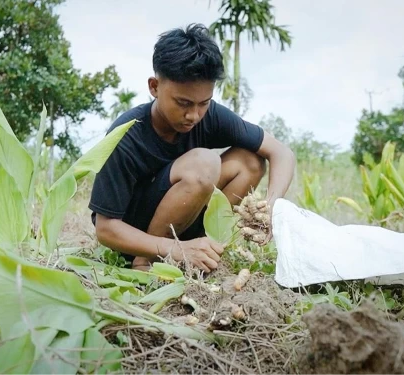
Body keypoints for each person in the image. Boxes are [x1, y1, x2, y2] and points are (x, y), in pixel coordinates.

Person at [88, 24, 296, 273]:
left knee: (250, 161)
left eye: (203, 103)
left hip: (183, 225)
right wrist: (171, 248)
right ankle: (146, 264)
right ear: (154, 87)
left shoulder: (209, 115)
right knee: (204, 163)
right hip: (135, 239)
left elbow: (282, 153)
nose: (194, 115)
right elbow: (106, 228)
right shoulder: (127, 134)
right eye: (183, 103)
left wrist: (271, 207)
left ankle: (207, 252)